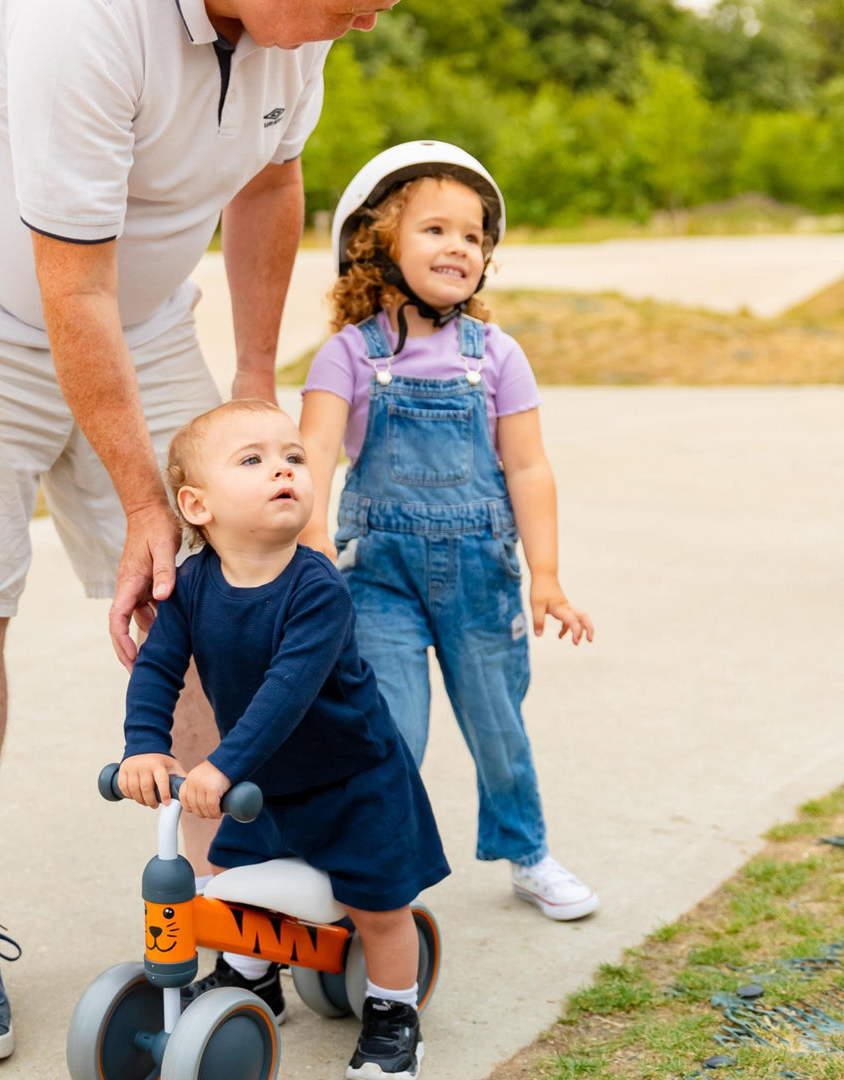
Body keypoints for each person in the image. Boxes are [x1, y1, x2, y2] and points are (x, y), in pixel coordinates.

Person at [0, 0, 399, 1064]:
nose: (373, 17)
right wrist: (146, 502)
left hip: (140, 315)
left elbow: (268, 179)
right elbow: (72, 278)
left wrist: (248, 380)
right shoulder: (86, 19)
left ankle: (217, 892)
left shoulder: (301, 27)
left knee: (226, 580)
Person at [297, 141, 599, 925]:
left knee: (499, 724)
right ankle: (374, 871)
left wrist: (548, 575)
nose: (458, 247)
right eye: (435, 229)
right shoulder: (345, 358)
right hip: (378, 580)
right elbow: (315, 459)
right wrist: (313, 549)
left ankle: (526, 852)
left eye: (473, 236)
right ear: (378, 244)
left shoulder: (497, 355)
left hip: (482, 576)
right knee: (389, 730)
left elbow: (528, 470)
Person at [118, 398, 449, 1080]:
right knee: (236, 885)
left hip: (351, 778)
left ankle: (394, 1013)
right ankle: (251, 980)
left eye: (294, 457)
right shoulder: (192, 587)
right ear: (197, 505)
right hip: (264, 784)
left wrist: (221, 761)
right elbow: (157, 668)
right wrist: (146, 745)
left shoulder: (316, 588)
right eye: (254, 460)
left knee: (377, 906)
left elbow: (287, 692)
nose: (284, 470)